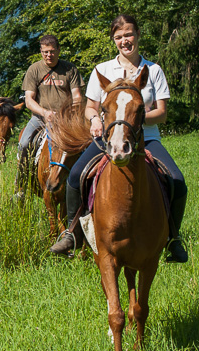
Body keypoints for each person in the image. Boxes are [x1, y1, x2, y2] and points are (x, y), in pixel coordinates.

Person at [49, 15, 189, 263]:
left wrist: (133, 120)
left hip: (146, 139)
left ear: (137, 35)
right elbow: (91, 107)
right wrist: (94, 120)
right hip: (108, 139)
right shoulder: (102, 70)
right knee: (75, 175)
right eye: (119, 37)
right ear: (114, 40)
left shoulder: (153, 71)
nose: (125, 41)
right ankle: (71, 233)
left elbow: (162, 113)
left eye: (129, 35)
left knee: (177, 180)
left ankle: (173, 239)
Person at [16, 34, 84, 195]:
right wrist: (45, 113)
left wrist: (70, 114)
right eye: (45, 52)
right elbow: (29, 100)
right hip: (40, 117)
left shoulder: (70, 69)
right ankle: (21, 185)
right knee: (24, 143)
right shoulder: (34, 69)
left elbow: (77, 96)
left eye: (52, 51)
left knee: (85, 145)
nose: (49, 55)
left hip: (66, 119)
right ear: (41, 51)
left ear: (59, 50)